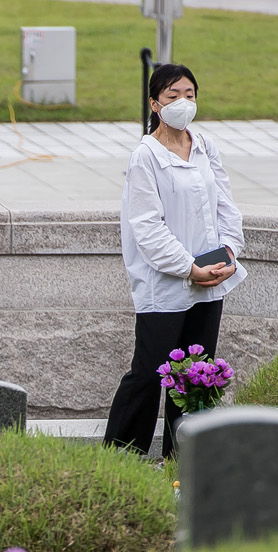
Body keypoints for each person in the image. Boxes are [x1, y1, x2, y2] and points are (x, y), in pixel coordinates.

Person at [103, 63, 246, 459]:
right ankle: (119, 460)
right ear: (155, 104)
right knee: (149, 374)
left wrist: (228, 253)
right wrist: (189, 268)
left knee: (196, 378)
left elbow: (226, 207)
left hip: (211, 280)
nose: (183, 102)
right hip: (165, 286)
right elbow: (147, 228)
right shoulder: (145, 157)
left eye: (189, 94)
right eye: (173, 95)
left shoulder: (205, 147)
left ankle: (182, 465)